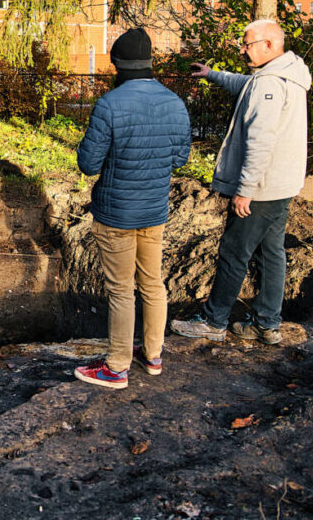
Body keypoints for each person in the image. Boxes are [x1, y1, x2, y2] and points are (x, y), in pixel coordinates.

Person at [171, 19, 312, 345]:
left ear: (269, 45)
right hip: (281, 185)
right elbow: (244, 86)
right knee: (272, 253)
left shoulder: (269, 85)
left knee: (234, 251)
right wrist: (212, 74)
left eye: (247, 44)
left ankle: (213, 321)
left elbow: (260, 141)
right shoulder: (280, 75)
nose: (242, 49)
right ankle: (266, 324)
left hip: (261, 188)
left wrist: (245, 190)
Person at [73, 28, 191, 389]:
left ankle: (117, 367)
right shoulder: (175, 102)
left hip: (116, 214)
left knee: (122, 290)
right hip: (154, 211)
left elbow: (89, 164)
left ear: (118, 65)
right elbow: (180, 158)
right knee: (153, 284)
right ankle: (153, 356)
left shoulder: (110, 104)